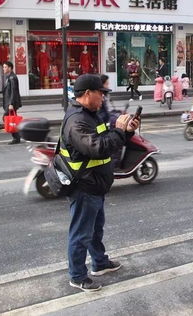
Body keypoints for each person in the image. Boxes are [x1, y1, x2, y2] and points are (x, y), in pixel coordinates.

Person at [62, 74, 140, 292]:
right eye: (101, 93)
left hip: (96, 184)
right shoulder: (77, 121)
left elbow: (108, 141)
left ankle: (100, 263)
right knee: (80, 233)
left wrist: (128, 130)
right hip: (84, 187)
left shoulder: (91, 115)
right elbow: (98, 147)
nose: (103, 98)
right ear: (88, 94)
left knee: (95, 229)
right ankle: (77, 276)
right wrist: (119, 130)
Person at [2, 61, 22, 145]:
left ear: (10, 68)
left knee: (8, 118)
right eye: (3, 67)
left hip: (12, 103)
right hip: (9, 102)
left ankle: (16, 137)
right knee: (11, 119)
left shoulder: (12, 78)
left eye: (5, 67)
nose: (3, 69)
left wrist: (11, 104)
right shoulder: (9, 77)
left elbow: (14, 91)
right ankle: (17, 136)